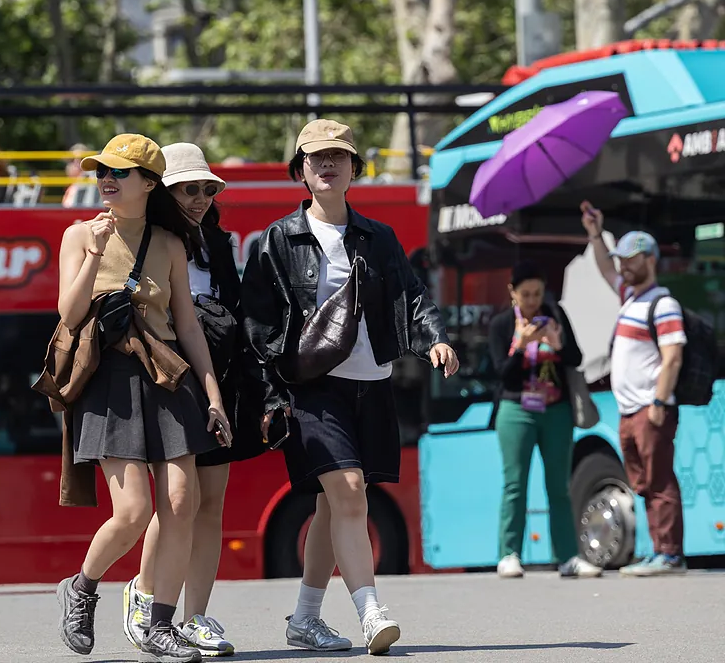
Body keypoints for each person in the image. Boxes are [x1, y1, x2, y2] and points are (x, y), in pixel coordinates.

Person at [241, 119, 457, 656]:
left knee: (331, 507)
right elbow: (258, 330)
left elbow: (411, 298)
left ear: (356, 169)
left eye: (339, 156)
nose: (328, 164)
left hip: (372, 385)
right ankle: (371, 612)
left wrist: (434, 339)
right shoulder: (276, 241)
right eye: (316, 158)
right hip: (314, 390)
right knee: (350, 492)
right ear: (301, 172)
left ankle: (305, 620)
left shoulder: (379, 238)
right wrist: (273, 396)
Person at [54, 133, 233, 663]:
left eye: (119, 172)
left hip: (167, 375)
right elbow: (67, 315)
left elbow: (190, 329)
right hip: (109, 382)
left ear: (149, 184)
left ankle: (160, 623)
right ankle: (82, 587)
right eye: (101, 171)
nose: (106, 179)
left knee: (183, 501)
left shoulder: (171, 244)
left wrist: (214, 396)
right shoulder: (78, 234)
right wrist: (94, 253)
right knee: (132, 511)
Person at [123, 143, 264, 657]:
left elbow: (237, 320)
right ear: (163, 190)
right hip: (163, 386)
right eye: (189, 188)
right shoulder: (147, 240)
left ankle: (196, 616)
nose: (202, 197)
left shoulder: (220, 245)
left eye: (208, 188)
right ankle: (144, 596)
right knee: (174, 503)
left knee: (210, 504)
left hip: (215, 386)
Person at [581, 202, 687, 576]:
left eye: (630, 258)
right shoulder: (630, 298)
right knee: (644, 482)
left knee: (659, 481)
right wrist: (596, 233)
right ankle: (659, 550)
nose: (623, 265)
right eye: (621, 259)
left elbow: (672, 356)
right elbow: (605, 269)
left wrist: (659, 401)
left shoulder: (662, 303)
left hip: (649, 407)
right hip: (630, 411)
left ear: (650, 260)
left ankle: (669, 554)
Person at [488, 261, 602, 579]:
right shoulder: (500, 324)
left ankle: (568, 556)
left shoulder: (555, 316)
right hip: (516, 410)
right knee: (515, 484)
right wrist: (520, 347)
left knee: (559, 487)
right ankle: (509, 554)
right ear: (513, 293)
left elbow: (576, 359)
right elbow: (500, 374)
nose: (532, 300)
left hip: (556, 410)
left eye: (537, 293)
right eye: (526, 294)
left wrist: (558, 344)